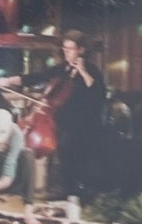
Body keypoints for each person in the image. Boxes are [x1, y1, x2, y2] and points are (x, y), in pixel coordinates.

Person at [45, 30, 105, 199]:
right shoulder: (63, 69)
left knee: (79, 158)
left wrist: (83, 71)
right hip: (65, 122)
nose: (66, 52)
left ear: (81, 50)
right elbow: (41, 75)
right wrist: (12, 80)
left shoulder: (91, 70)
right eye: (64, 49)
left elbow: (98, 92)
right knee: (64, 155)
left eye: (70, 49)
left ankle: (79, 193)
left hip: (84, 125)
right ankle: (66, 190)